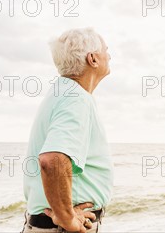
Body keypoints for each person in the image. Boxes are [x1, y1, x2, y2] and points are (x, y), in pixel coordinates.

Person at [21, 28, 114, 233]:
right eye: (106, 50)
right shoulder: (76, 99)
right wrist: (68, 219)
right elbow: (52, 159)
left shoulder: (62, 92)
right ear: (93, 59)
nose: (109, 55)